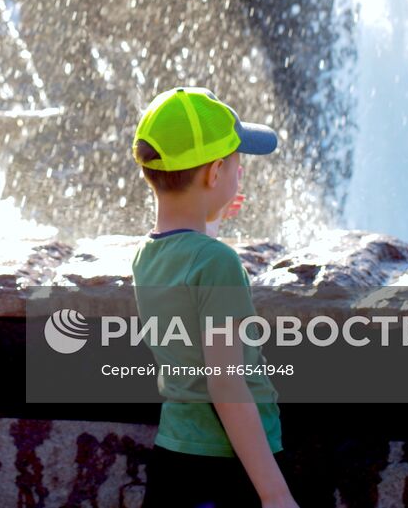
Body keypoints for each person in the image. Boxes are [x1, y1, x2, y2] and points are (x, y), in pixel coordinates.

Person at [130, 87, 300, 508]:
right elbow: (226, 382)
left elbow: (191, 265)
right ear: (214, 173)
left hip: (176, 457)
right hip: (228, 469)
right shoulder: (218, 263)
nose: (241, 172)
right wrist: (275, 493)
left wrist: (212, 214)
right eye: (238, 163)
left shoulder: (147, 255)